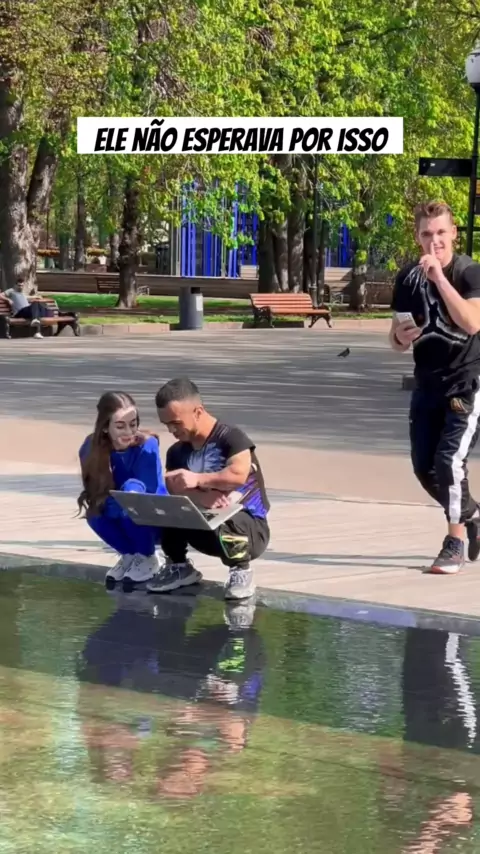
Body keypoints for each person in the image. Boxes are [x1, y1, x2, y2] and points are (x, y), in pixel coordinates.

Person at [390, 200, 480, 574]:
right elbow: (395, 339)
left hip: (467, 383)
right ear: (417, 237)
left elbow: (472, 322)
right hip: (426, 385)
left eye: (441, 232)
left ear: (454, 233)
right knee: (424, 468)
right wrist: (399, 336)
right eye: (427, 234)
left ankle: (454, 542)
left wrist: (440, 279)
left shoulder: (468, 272)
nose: (435, 241)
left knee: (448, 462)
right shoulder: (407, 279)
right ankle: (472, 514)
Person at [147, 377, 270, 599]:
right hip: (204, 530)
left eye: (176, 423)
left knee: (228, 514)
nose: (171, 430)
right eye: (166, 425)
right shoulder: (176, 452)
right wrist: (198, 497)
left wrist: (198, 480)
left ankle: (241, 571)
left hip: (248, 530)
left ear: (198, 412)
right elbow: (174, 486)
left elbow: (237, 475)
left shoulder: (231, 438)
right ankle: (179, 566)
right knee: (168, 506)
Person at [78, 391, 168, 590]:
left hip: (151, 513)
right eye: (120, 426)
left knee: (130, 503)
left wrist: (126, 497)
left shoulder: (147, 446)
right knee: (95, 514)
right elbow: (93, 489)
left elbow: (147, 489)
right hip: (115, 505)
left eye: (133, 424)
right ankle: (129, 555)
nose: (128, 432)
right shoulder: (90, 447)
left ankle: (148, 557)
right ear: (105, 427)